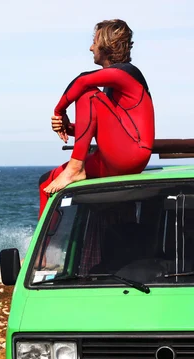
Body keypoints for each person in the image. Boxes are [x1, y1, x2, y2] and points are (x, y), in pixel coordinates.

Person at [38, 19, 155, 217]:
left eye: (94, 42)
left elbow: (82, 80)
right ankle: (50, 246)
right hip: (113, 156)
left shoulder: (127, 73)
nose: (91, 47)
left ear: (107, 45)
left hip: (132, 154)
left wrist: (59, 111)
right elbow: (103, 128)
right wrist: (68, 127)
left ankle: (76, 166)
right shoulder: (110, 87)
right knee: (47, 181)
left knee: (87, 94)